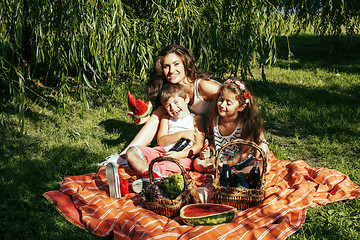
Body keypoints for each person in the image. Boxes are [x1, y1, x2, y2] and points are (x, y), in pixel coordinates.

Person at [120, 44, 221, 157]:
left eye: (176, 64)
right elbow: (163, 118)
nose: (171, 71)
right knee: (158, 113)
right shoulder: (172, 92)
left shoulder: (203, 86)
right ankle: (123, 156)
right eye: (166, 66)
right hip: (192, 139)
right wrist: (144, 119)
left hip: (213, 139)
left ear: (185, 64)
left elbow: (233, 101)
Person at [125, 84, 205, 176]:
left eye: (176, 102)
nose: (173, 108)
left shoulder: (196, 119)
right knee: (131, 151)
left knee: (167, 166)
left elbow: (198, 145)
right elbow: (161, 141)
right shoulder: (166, 119)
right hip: (161, 152)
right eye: (168, 105)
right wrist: (181, 134)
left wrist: (179, 155)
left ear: (186, 98)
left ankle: (152, 174)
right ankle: (147, 172)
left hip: (183, 157)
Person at [194, 79, 270, 174]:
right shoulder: (215, 121)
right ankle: (229, 173)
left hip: (242, 160)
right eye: (221, 100)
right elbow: (215, 144)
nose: (222, 104)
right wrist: (210, 151)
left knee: (263, 166)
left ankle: (235, 174)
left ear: (241, 107)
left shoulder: (244, 124)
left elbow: (244, 153)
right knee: (197, 163)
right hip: (221, 159)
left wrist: (227, 164)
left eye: (228, 103)